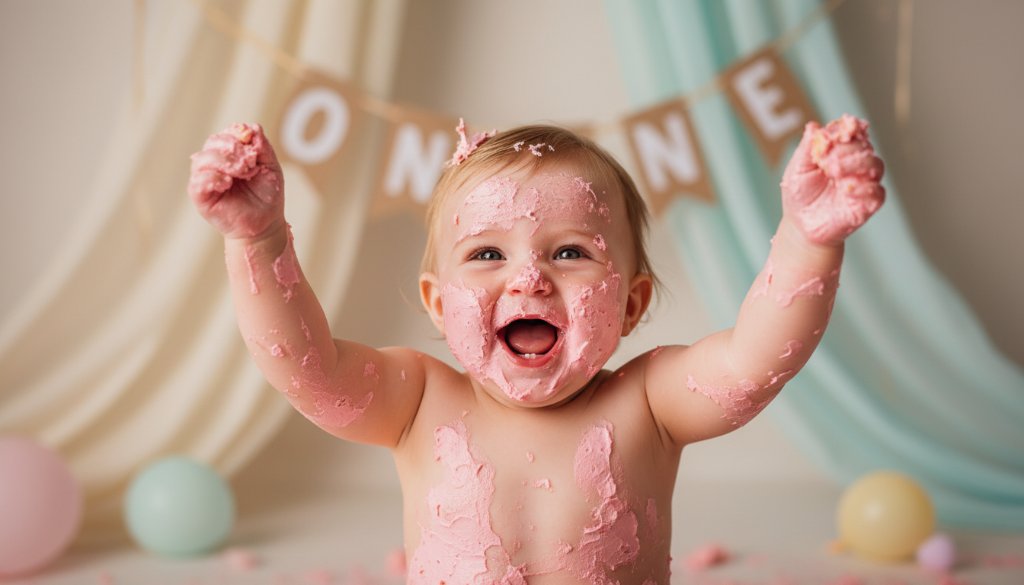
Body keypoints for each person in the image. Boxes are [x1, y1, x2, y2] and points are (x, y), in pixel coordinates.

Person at [188, 114, 884, 584]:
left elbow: (752, 362)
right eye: (487, 251)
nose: (528, 277)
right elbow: (304, 365)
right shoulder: (420, 401)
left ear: (631, 304)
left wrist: (808, 241)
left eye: (571, 252)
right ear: (437, 302)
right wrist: (259, 240)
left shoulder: (648, 401)